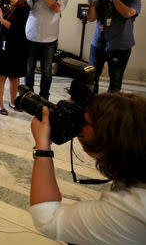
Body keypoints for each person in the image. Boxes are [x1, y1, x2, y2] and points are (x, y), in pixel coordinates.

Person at [29, 92, 146, 244]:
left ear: (108, 137)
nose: (79, 126)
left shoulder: (133, 210)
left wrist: (42, 145)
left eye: (84, 122)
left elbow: (47, 218)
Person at [87, 0, 141, 94]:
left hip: (120, 47)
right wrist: (92, 2)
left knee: (115, 82)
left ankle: (111, 110)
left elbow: (127, 13)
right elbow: (91, 18)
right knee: (91, 79)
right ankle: (91, 107)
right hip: (98, 45)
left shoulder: (134, 1)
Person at [24, 0, 69, 100]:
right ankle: (28, 94)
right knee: (28, 69)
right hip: (31, 36)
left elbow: (56, 8)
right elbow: (27, 8)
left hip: (49, 39)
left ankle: (44, 96)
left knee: (46, 71)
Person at [0, 0, 30, 116]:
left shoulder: (23, 9)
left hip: (17, 46)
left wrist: (1, 18)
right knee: (1, 75)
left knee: (14, 77)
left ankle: (13, 101)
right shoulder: (6, 9)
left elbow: (16, 28)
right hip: (3, 46)